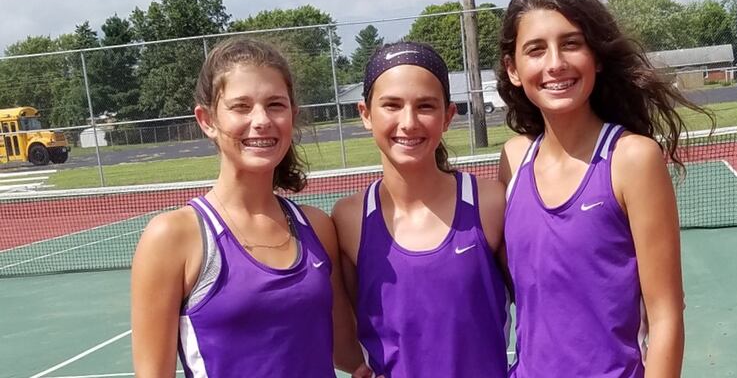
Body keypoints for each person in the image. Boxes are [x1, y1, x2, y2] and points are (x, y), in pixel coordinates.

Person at [497, 0, 707, 377]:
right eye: (536, 49)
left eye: (571, 43)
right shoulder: (513, 158)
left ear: (596, 57)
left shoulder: (632, 159)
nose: (555, 62)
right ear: (513, 69)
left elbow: (665, 318)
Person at [130, 37, 369, 377]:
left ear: (293, 115)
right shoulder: (173, 237)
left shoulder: (316, 227)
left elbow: (346, 349)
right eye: (241, 106)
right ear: (207, 119)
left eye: (275, 105)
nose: (261, 120)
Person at [332, 41, 511, 377]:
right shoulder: (348, 220)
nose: (409, 122)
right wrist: (359, 366)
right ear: (365, 114)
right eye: (392, 105)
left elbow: (539, 308)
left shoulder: (490, 203)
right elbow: (342, 334)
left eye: (425, 106)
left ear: (448, 116)